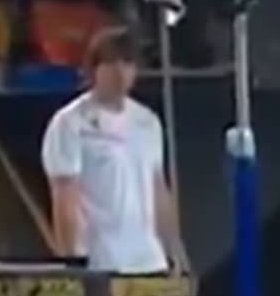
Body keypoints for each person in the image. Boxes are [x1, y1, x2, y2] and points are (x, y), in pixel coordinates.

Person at [40, 27, 184, 274]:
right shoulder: (70, 123)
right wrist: (72, 262)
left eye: (127, 63)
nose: (120, 72)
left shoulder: (147, 122)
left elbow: (158, 190)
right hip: (102, 264)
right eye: (111, 63)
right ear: (94, 69)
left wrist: (175, 251)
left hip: (149, 262)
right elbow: (65, 196)